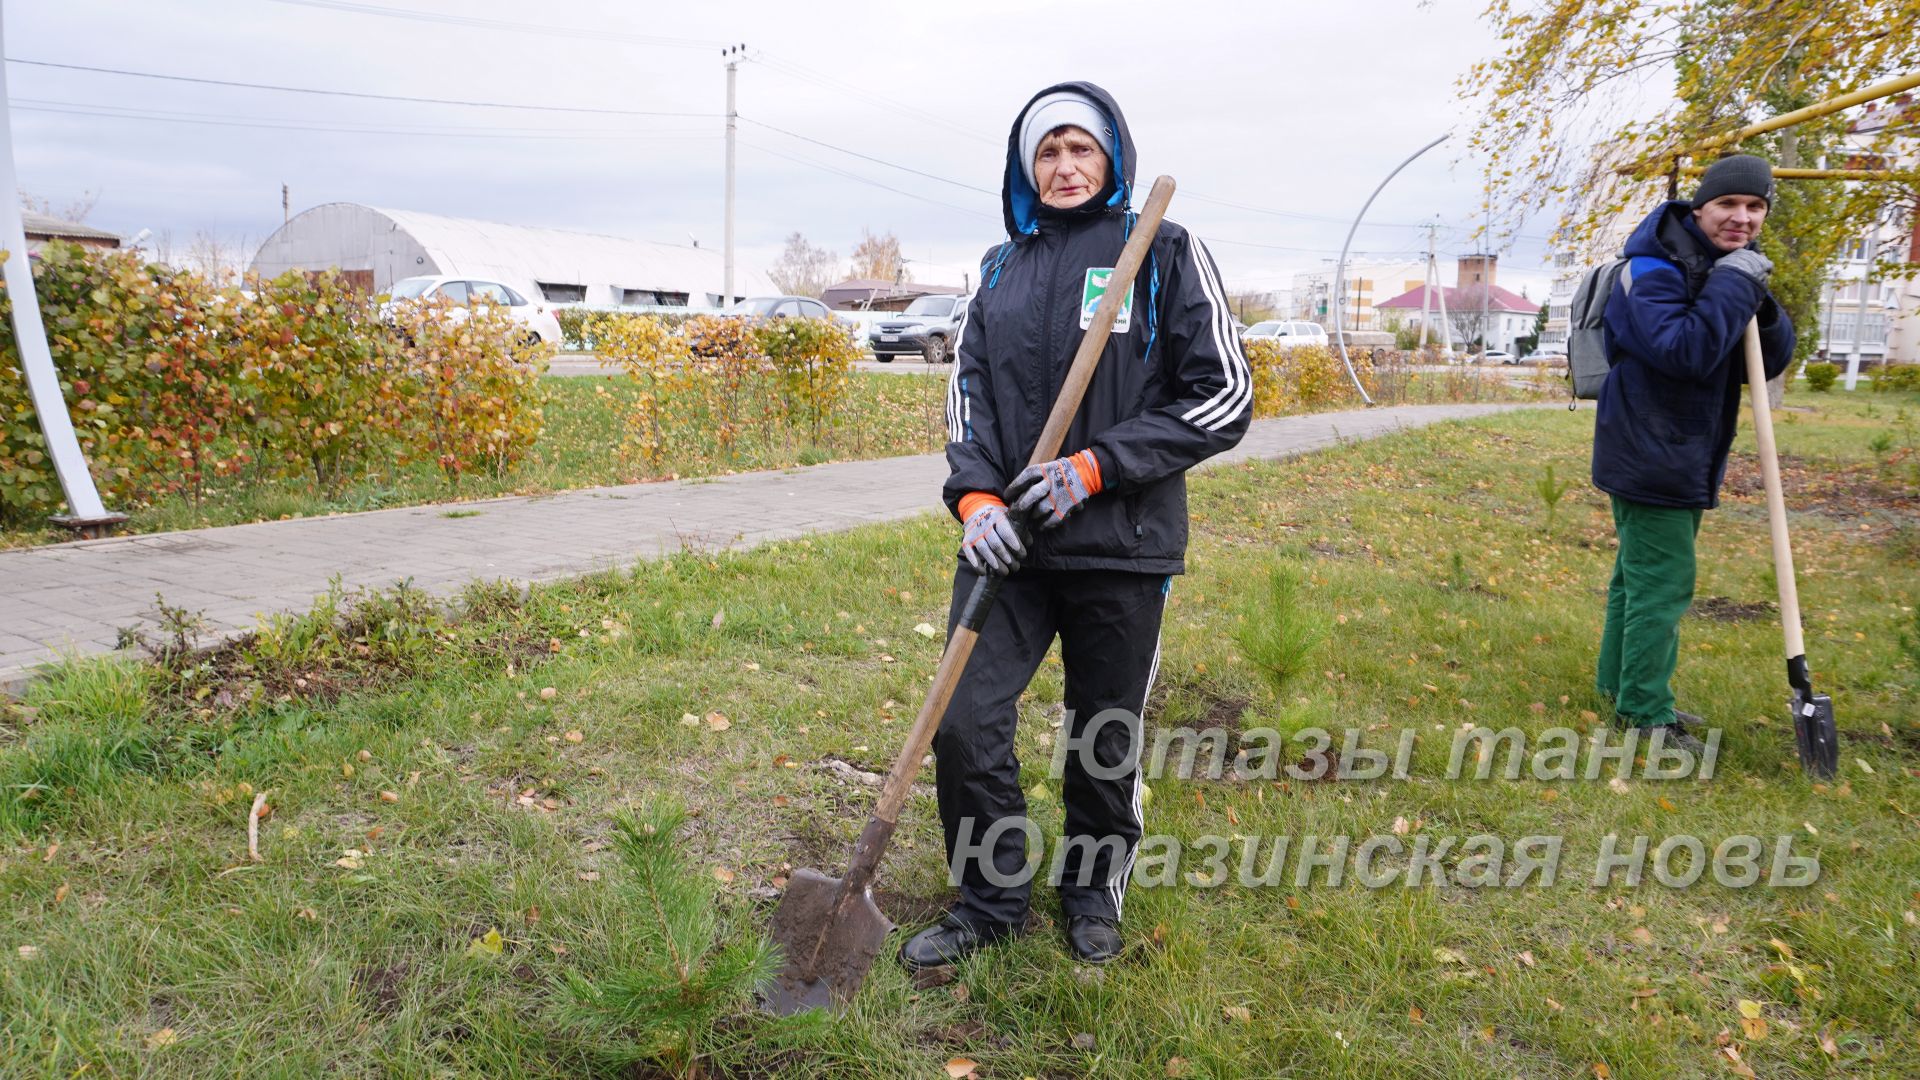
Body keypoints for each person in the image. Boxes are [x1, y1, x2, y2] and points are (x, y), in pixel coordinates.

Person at [900, 82, 1251, 970]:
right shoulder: (998, 268)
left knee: (1104, 734)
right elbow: (967, 396)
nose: (1063, 166)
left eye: (1079, 149)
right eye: (1046, 152)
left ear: (1111, 158)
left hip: (1122, 548)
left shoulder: (1162, 253)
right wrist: (976, 500)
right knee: (964, 722)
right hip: (1008, 547)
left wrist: (1098, 466)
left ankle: (1093, 892)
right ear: (1026, 168)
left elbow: (1224, 397)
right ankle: (991, 900)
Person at [1592, 153, 1795, 750]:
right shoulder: (1651, 268)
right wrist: (1734, 285)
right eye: (1728, 204)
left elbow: (1770, 360)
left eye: (1754, 207)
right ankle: (1647, 715)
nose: (1741, 217)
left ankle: (1618, 690)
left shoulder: (1721, 268)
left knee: (1635, 580)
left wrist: (1757, 297)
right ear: (1699, 206)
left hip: (1679, 448)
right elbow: (1681, 350)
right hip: (1651, 449)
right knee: (1662, 583)